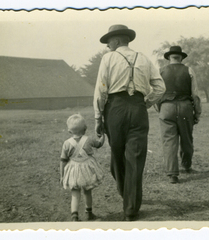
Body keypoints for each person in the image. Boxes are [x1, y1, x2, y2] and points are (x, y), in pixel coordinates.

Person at [93, 24, 166, 221]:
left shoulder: (108, 58)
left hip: (115, 110)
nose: (108, 46)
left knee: (117, 157)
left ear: (116, 40)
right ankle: (131, 203)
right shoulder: (144, 58)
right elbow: (160, 87)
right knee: (135, 158)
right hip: (138, 109)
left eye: (109, 42)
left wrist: (98, 118)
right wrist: (145, 103)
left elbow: (101, 90)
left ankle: (130, 204)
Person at [157, 46, 201, 184]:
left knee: (169, 141)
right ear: (181, 57)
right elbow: (195, 94)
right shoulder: (188, 70)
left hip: (166, 108)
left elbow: (156, 94)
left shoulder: (161, 71)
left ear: (169, 57)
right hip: (185, 107)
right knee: (187, 138)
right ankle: (186, 165)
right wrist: (197, 112)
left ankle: (172, 174)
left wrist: (161, 108)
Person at [60, 113, 105, 221]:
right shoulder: (88, 139)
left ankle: (74, 215)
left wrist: (62, 175)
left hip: (73, 170)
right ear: (85, 129)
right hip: (87, 170)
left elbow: (63, 161)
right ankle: (89, 213)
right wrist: (102, 136)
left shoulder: (66, 143)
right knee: (87, 191)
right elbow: (99, 144)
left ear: (69, 131)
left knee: (75, 193)